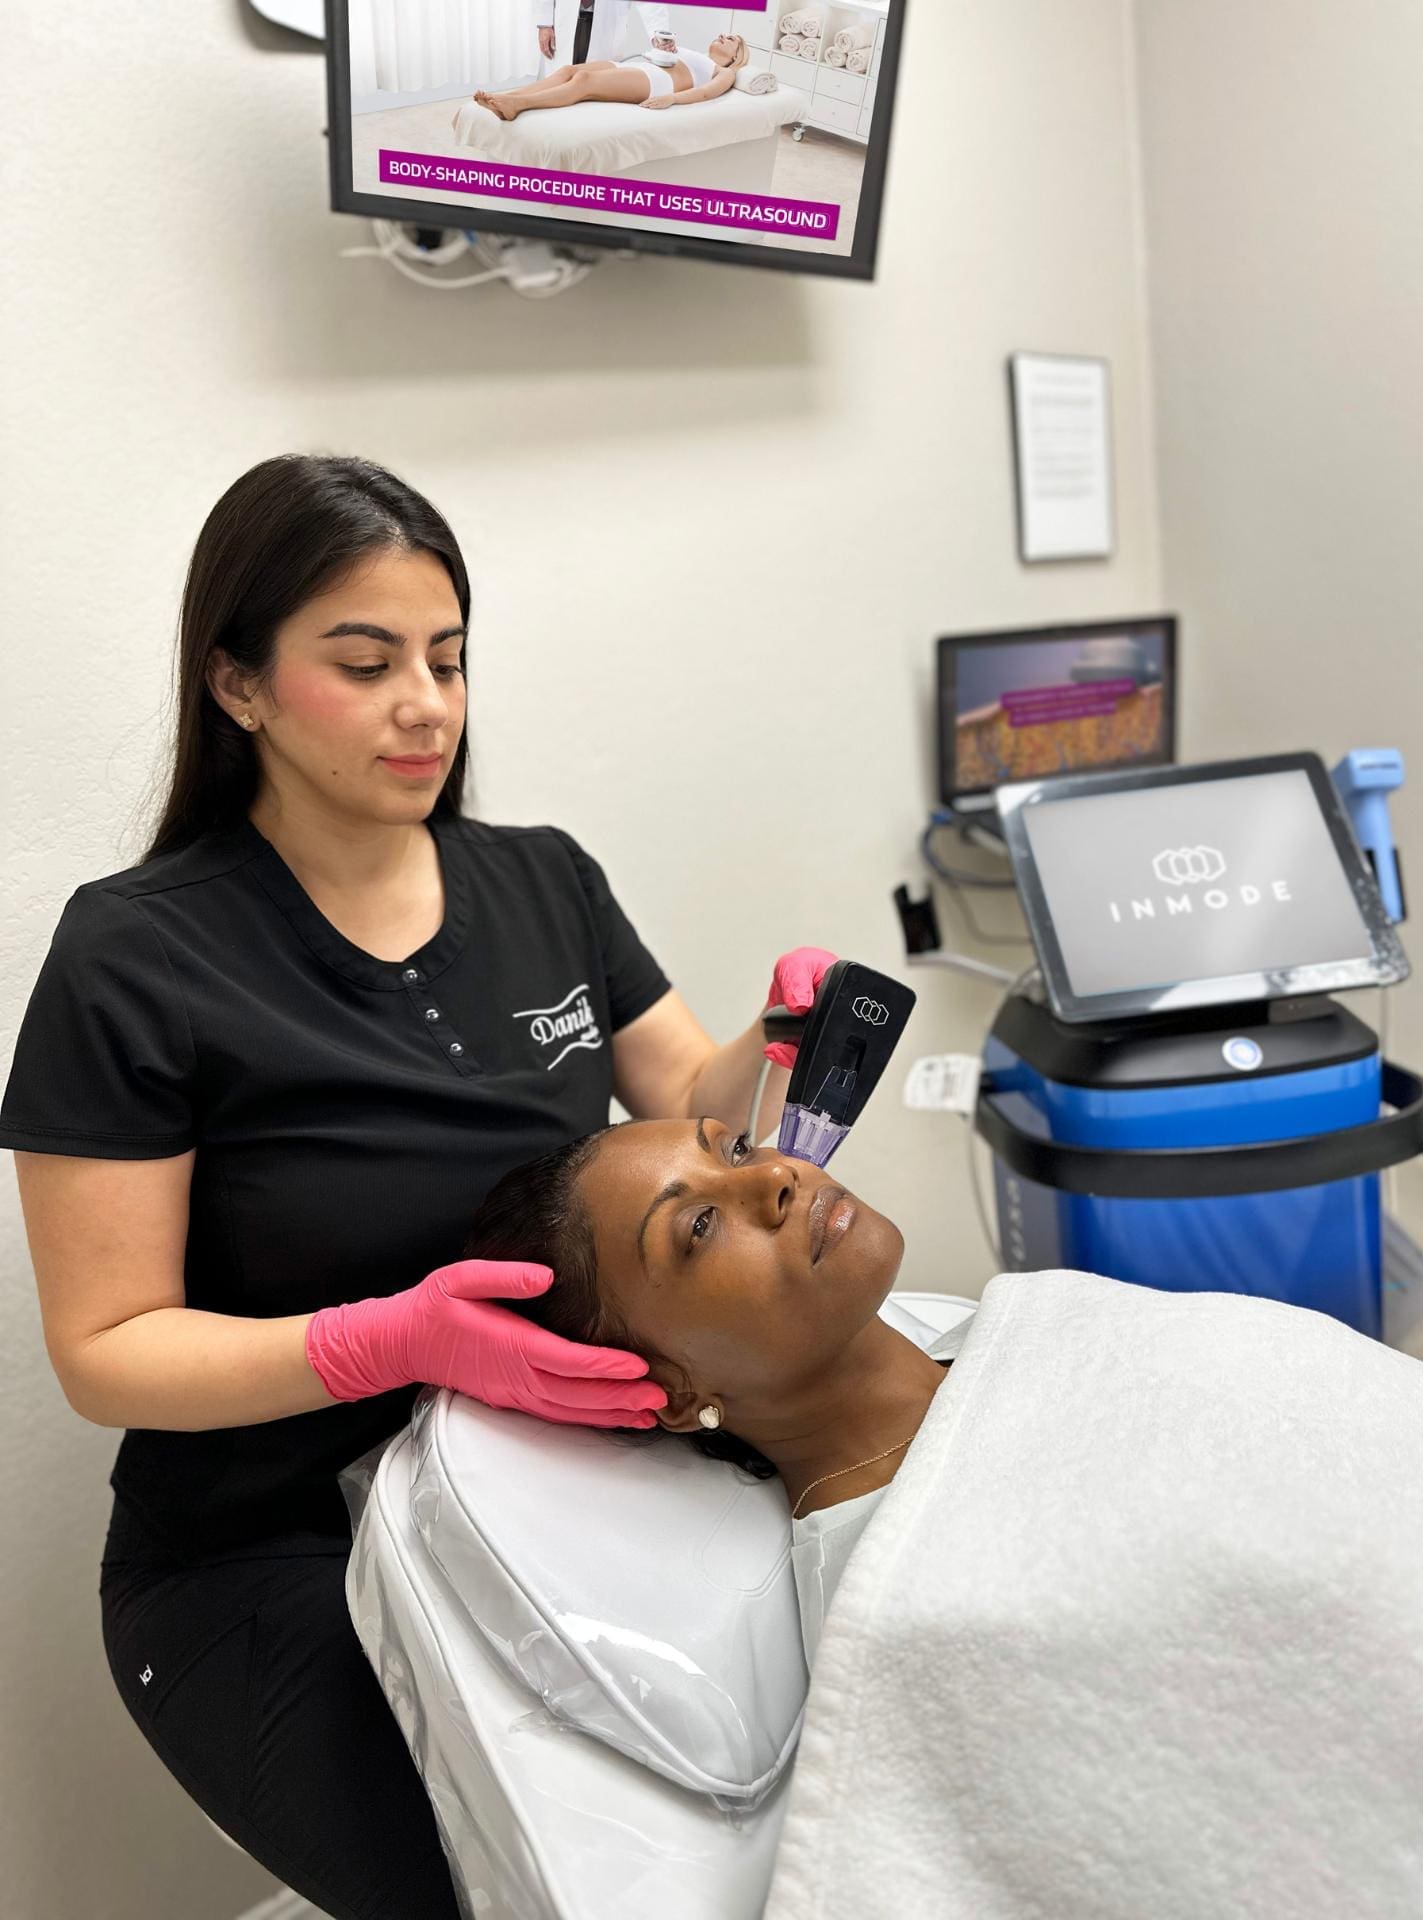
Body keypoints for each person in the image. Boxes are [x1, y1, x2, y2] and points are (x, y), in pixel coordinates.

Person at [0, 454, 836, 1920]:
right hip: (268, 1550)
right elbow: (105, 1352)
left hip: (564, 1492)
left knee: (782, 1830)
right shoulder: (136, 955)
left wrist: (777, 1045)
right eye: (366, 661)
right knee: (524, 1889)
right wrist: (390, 1341)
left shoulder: (543, 882)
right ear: (239, 686)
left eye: (448, 659)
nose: (427, 704)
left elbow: (690, 1107)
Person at [454, 1113, 958, 1668]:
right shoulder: (902, 1611)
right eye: (699, 1226)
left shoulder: (1001, 1325)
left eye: (737, 1149)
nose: (775, 1176)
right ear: (675, 1393)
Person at [475, 32, 749, 120]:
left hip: (656, 82)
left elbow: (705, 93)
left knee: (584, 83)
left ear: (737, 55)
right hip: (642, 67)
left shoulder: (725, 72)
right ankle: (508, 96)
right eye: (722, 34)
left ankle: (516, 106)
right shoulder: (691, 51)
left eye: (731, 39)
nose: (722, 37)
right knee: (569, 70)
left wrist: (672, 99)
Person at [534, 0, 675, 68]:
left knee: (594, 88)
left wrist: (659, 33)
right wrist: (544, 23)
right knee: (559, 85)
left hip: (607, 24)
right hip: (565, 19)